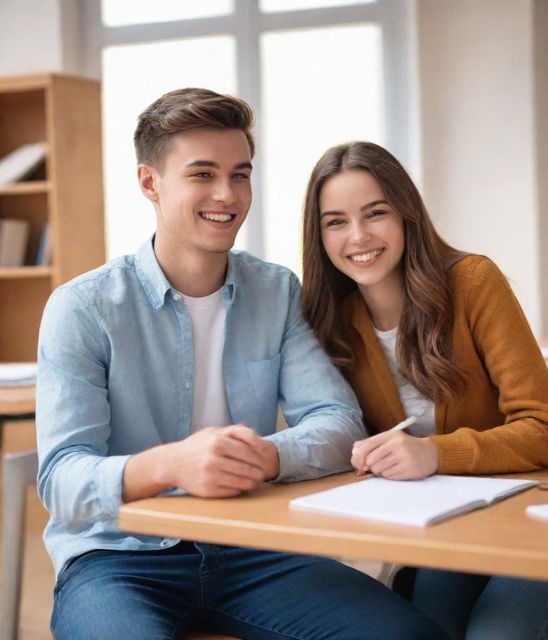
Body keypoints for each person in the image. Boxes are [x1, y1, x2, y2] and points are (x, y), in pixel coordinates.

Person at [36, 91, 447, 640]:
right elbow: (61, 479)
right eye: (202, 174)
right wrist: (171, 465)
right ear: (150, 183)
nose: (227, 195)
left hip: (256, 550)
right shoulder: (83, 307)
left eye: (240, 174)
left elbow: (337, 420)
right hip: (118, 560)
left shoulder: (275, 291)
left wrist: (264, 457)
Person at [300, 140, 548, 640]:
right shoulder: (331, 321)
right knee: (421, 632)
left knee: (494, 635)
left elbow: (547, 431)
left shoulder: (472, 282)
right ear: (319, 236)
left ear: (406, 215)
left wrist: (433, 454)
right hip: (453, 524)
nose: (357, 236)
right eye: (335, 221)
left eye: (375, 213)